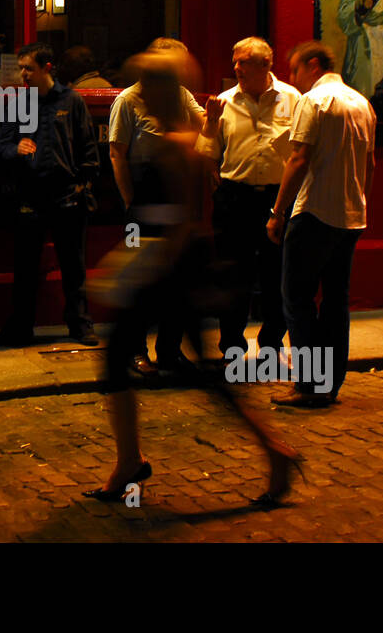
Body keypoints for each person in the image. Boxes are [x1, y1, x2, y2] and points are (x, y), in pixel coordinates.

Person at [86, 48, 303, 507]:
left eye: (146, 86)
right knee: (202, 376)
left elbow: (178, 220)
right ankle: (272, 451)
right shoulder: (182, 135)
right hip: (169, 266)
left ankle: (133, 462)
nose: (139, 95)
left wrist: (132, 268)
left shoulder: (176, 144)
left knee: (124, 365)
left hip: (168, 270)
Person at [266, 41, 376, 407]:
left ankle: (310, 385)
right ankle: (331, 382)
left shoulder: (313, 101)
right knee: (335, 301)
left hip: (313, 213)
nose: (292, 77)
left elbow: (298, 159)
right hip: (350, 217)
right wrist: (360, 202)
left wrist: (277, 212)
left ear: (313, 66)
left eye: (294, 69)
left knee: (296, 299)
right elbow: (370, 165)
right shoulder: (363, 104)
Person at [198, 37, 302, 358]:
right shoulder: (225, 102)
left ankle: (270, 346)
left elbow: (303, 150)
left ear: (266, 65)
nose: (236, 67)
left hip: (277, 198)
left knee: (276, 277)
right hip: (234, 199)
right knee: (232, 276)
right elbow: (204, 153)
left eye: (243, 61)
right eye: (235, 61)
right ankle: (231, 347)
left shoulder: (293, 99)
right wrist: (211, 122)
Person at [108, 36, 205, 376]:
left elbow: (204, 123)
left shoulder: (181, 97)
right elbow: (117, 153)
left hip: (171, 208)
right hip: (143, 203)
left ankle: (170, 350)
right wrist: (130, 200)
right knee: (138, 285)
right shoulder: (127, 100)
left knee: (176, 289)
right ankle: (136, 352)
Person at [0, 42, 100, 346]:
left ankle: (80, 326)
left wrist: (83, 184)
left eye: (29, 68)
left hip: (68, 196)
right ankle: (21, 327)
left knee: (73, 266)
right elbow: (2, 146)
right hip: (31, 196)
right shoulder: (18, 104)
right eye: (21, 68)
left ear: (47, 68)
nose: (23, 74)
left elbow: (88, 147)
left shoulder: (72, 101)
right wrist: (15, 149)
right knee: (25, 268)